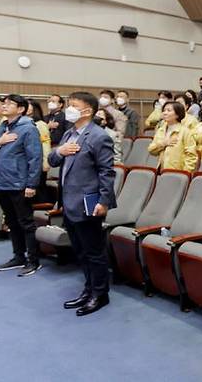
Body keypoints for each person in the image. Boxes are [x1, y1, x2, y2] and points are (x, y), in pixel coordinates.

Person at [48, 91, 116, 316]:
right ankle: (88, 289)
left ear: (87, 110)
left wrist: (104, 201)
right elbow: (51, 159)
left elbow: (106, 172)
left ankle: (100, 294)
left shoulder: (99, 136)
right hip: (69, 201)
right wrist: (60, 150)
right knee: (80, 250)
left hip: (89, 201)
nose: (69, 109)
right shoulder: (69, 133)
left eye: (73, 105)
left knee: (94, 251)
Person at [0, 94, 43, 276]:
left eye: (9, 104)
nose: (4, 106)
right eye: (4, 103)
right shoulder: (3, 127)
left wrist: (31, 185)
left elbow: (35, 158)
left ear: (20, 109)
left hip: (19, 183)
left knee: (26, 223)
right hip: (1, 183)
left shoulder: (28, 128)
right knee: (12, 222)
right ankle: (18, 256)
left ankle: (33, 260)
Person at [148, 101, 198, 172]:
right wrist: (163, 144)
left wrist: (185, 173)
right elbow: (151, 150)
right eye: (164, 110)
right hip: (161, 170)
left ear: (177, 114)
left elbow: (191, 156)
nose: (165, 113)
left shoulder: (185, 131)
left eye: (169, 110)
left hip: (178, 172)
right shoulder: (161, 130)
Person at [27, 99, 52, 203]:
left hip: (39, 163)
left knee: (38, 188)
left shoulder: (40, 124)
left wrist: (46, 162)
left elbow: (45, 144)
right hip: (28, 162)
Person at [99, 90, 127, 163]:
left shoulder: (118, 114)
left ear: (112, 100)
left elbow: (120, 133)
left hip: (111, 145)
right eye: (101, 97)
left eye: (105, 97)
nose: (102, 99)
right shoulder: (97, 113)